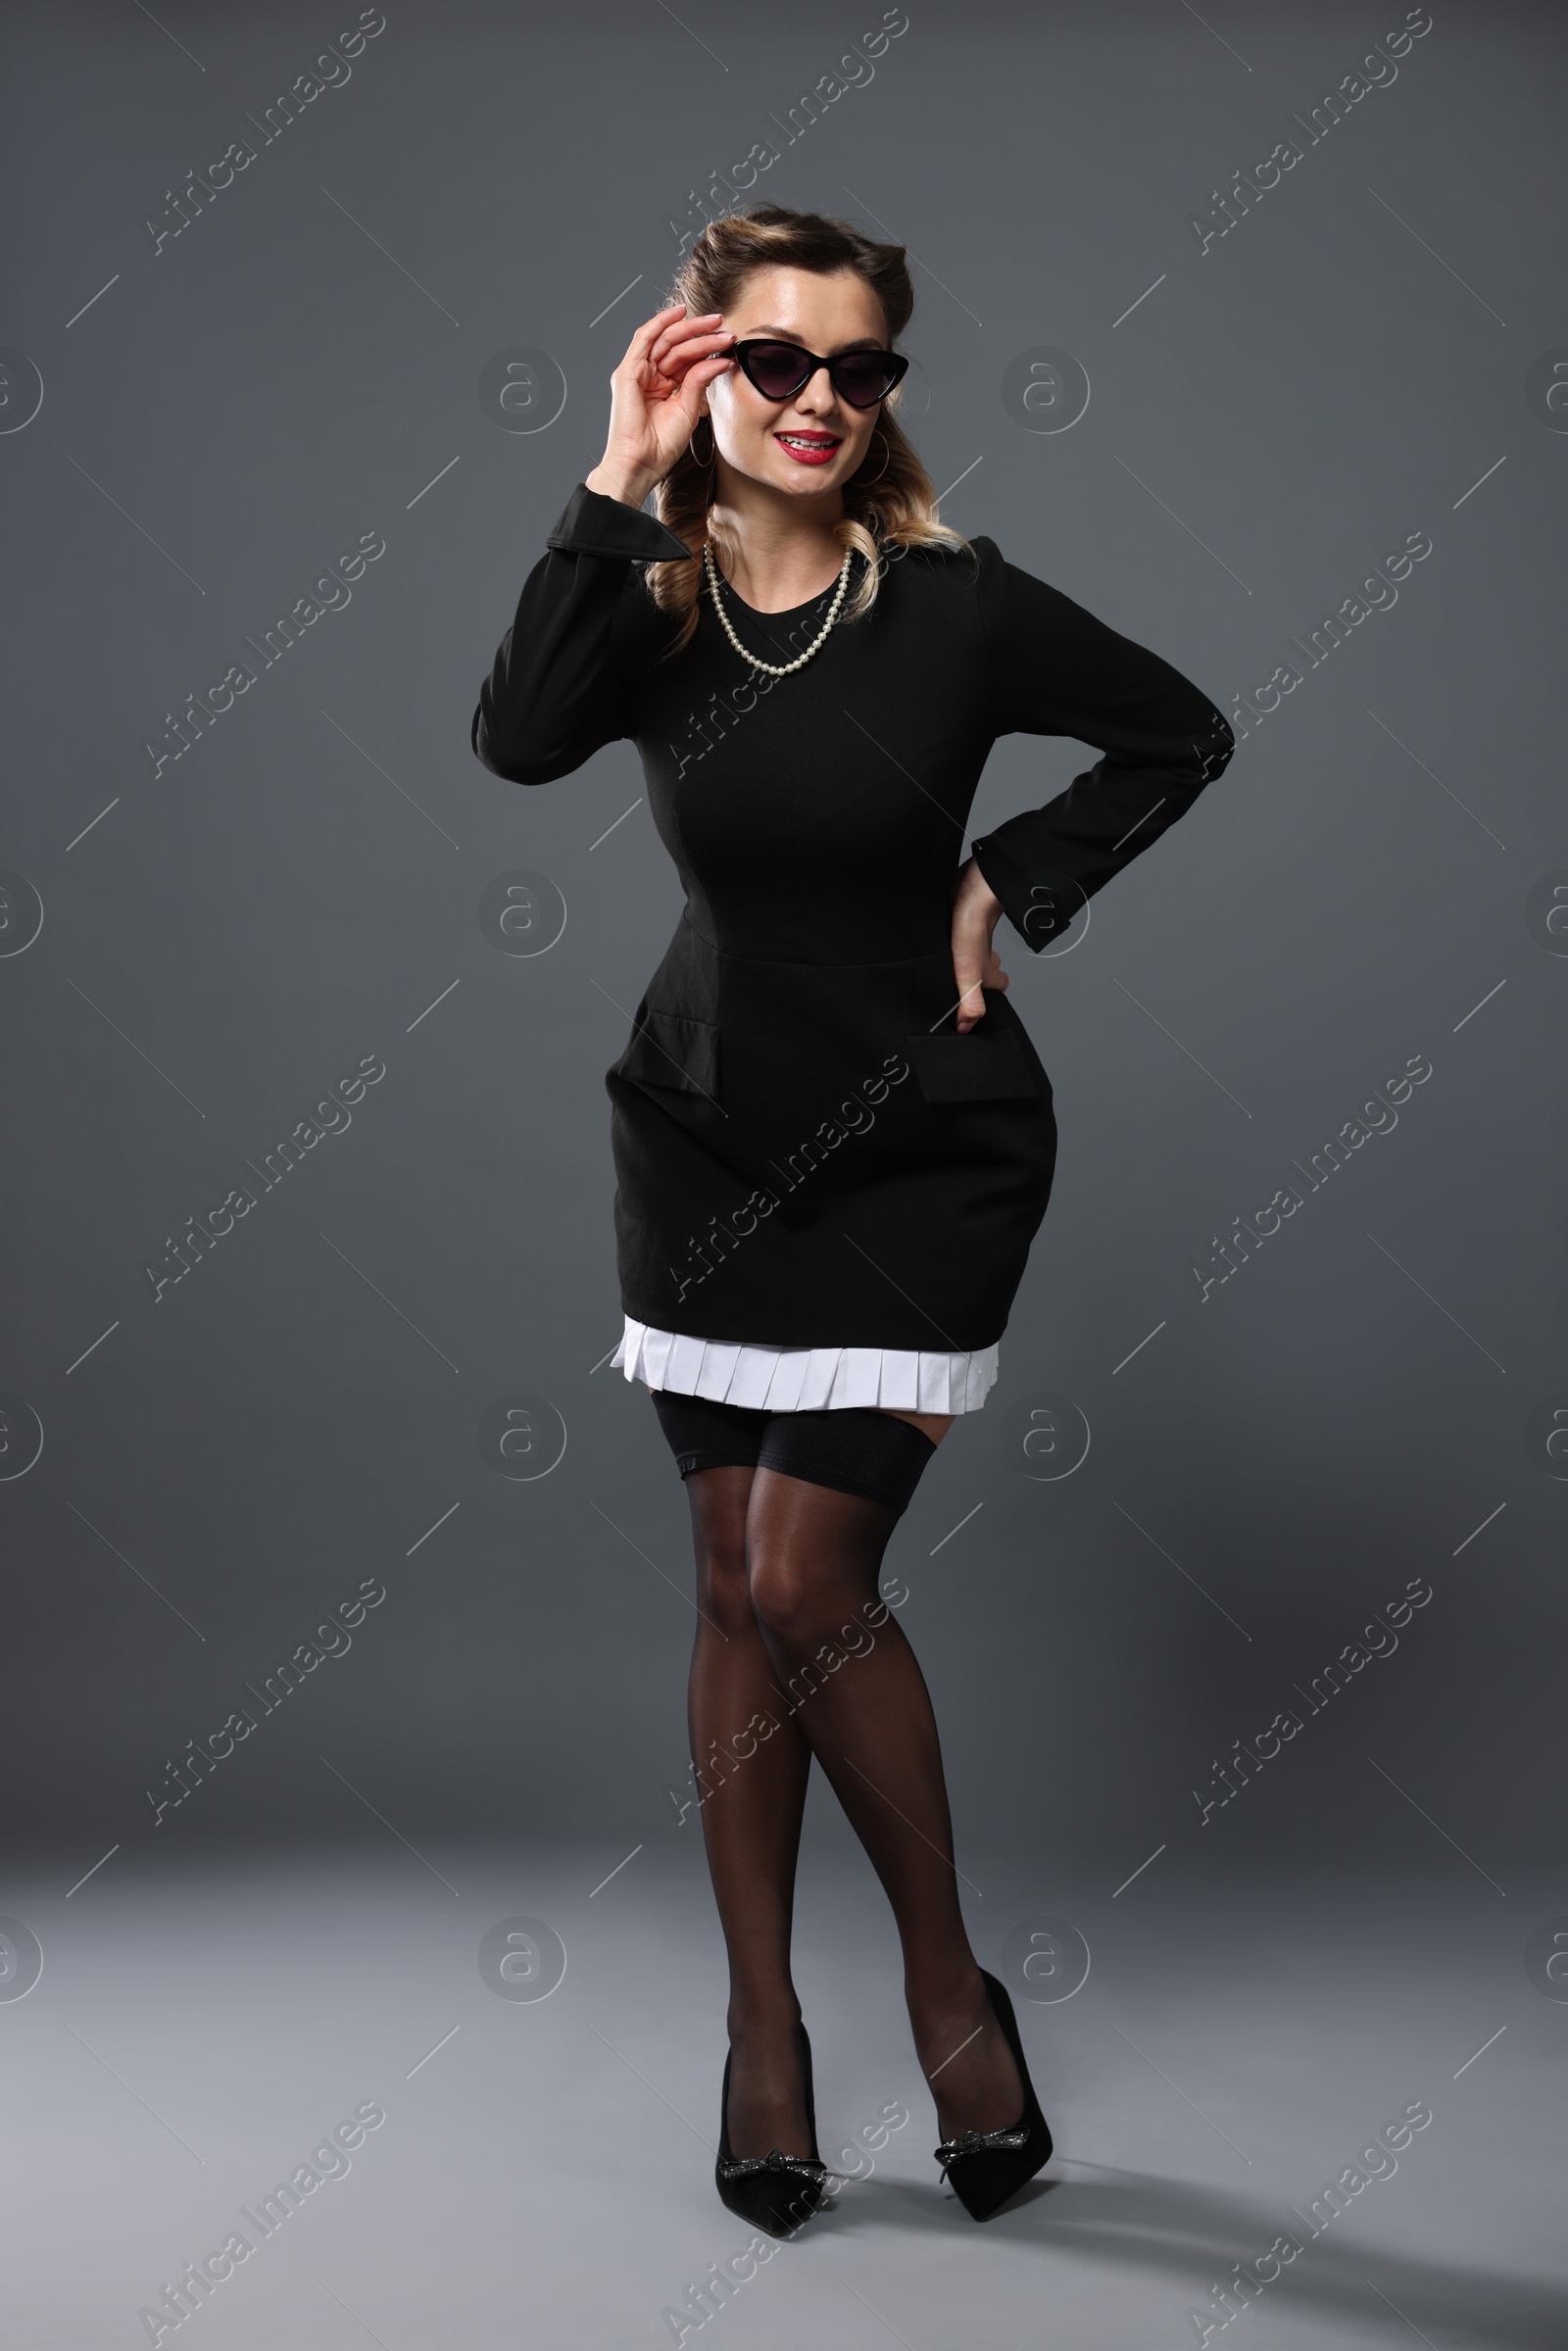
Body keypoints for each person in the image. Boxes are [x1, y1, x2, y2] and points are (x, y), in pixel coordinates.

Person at [471, 203, 1235, 2229]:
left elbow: (1178, 732)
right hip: (701, 1144)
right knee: (728, 1588)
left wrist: (1017, 879)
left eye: (857, 367)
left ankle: (940, 1991)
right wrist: (611, 469)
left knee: (811, 1584)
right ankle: (760, 2039)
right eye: (772, 360)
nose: (818, 400)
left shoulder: (956, 607)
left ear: (889, 387)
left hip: (922, 1151)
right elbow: (513, 737)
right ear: (701, 362)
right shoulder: (642, 598)